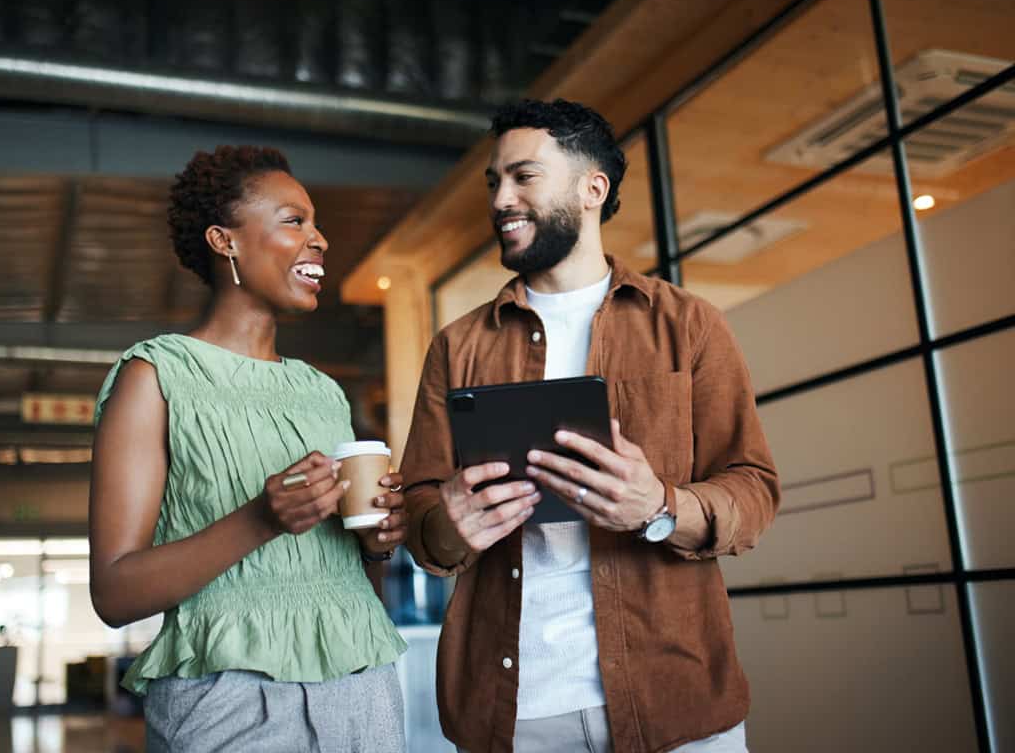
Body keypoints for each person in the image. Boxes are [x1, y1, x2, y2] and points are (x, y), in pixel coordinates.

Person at [401, 99, 780, 753]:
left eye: (524, 177)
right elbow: (420, 510)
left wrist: (660, 506)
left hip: (677, 704)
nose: (500, 199)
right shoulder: (456, 347)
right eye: (494, 182)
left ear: (591, 189)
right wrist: (447, 522)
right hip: (514, 714)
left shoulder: (688, 325)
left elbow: (754, 488)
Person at [89, 146, 408, 752]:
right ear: (224, 240)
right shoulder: (155, 376)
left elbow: (349, 572)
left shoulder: (323, 393)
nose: (319, 239)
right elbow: (114, 592)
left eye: (315, 223)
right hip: (228, 694)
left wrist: (376, 540)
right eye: (294, 221)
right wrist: (261, 519)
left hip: (363, 686)